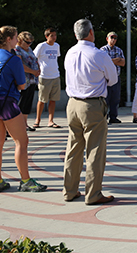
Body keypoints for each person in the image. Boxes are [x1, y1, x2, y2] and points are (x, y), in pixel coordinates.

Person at [0, 26, 47, 193]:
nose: (16, 40)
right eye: (14, 38)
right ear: (8, 40)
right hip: (8, 103)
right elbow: (22, 84)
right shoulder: (13, 59)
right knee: (22, 141)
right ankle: (25, 180)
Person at [63, 19, 118, 205]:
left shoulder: (69, 52)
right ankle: (93, 194)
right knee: (95, 150)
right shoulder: (99, 55)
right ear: (91, 32)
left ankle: (69, 191)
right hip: (92, 105)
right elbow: (113, 79)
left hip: (72, 104)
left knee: (73, 149)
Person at [33, 28, 62, 128]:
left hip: (55, 75)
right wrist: (37, 69)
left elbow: (56, 58)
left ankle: (51, 120)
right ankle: (37, 120)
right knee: (42, 99)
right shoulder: (41, 46)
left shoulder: (57, 46)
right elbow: (34, 57)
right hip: (44, 76)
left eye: (55, 35)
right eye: (51, 35)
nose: (54, 37)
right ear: (46, 36)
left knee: (53, 99)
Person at [15, 31, 40, 132]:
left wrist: (38, 69)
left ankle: (25, 123)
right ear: (20, 40)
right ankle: (19, 124)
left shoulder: (29, 49)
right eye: (27, 42)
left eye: (30, 42)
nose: (29, 44)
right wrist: (33, 71)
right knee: (22, 102)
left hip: (32, 79)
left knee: (28, 103)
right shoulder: (17, 50)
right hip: (24, 79)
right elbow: (20, 64)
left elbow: (34, 59)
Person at [100, 32, 125, 124]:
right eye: (112, 37)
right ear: (107, 39)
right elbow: (102, 63)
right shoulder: (102, 50)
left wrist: (110, 61)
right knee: (105, 98)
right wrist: (116, 60)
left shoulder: (119, 50)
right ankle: (103, 117)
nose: (113, 39)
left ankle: (113, 117)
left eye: (115, 38)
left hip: (116, 77)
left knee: (115, 98)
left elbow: (122, 63)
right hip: (105, 78)